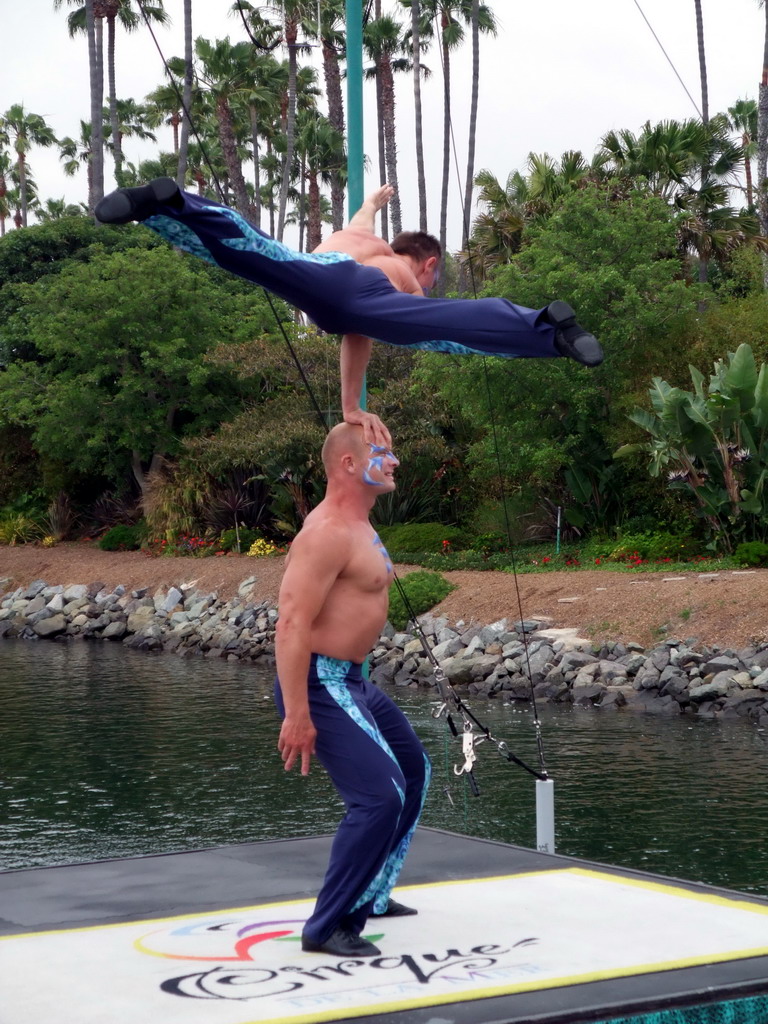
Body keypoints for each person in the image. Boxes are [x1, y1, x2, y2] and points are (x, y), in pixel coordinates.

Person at [94, 180, 604, 444]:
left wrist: (373, 202)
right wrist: (350, 407)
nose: (430, 284)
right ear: (426, 263)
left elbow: (361, 217)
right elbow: (361, 331)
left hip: (324, 270)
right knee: (445, 327)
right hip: (358, 295)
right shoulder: (407, 282)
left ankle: (168, 204)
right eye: (434, 274)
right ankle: (547, 330)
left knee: (255, 254)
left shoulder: (358, 235)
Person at [274, 422, 431, 957]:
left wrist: (352, 407)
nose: (393, 462)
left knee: (414, 770)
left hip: (353, 680)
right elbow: (291, 624)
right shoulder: (325, 534)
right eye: (382, 453)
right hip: (320, 681)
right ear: (347, 464)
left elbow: (355, 341)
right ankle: (330, 925)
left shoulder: (358, 522)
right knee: (380, 795)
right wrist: (296, 713)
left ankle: (375, 893)